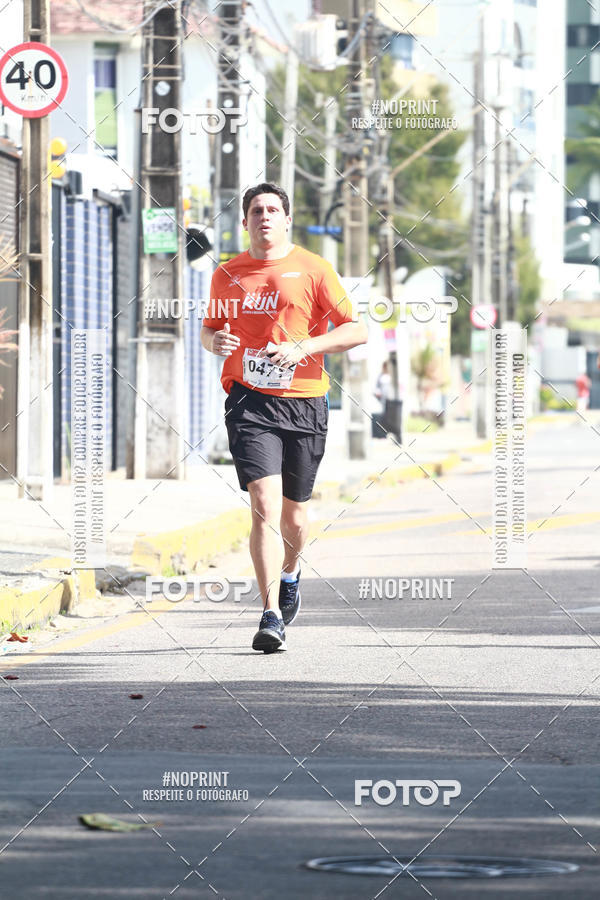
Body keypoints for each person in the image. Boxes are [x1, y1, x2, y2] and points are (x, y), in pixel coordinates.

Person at [201, 183, 368, 653]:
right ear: (245, 222)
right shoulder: (228, 274)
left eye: (274, 209)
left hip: (305, 400)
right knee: (264, 505)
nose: (265, 216)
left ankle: (291, 572)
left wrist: (304, 348)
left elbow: (357, 329)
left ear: (287, 219)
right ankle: (270, 613)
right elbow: (210, 330)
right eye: (257, 210)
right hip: (249, 401)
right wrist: (215, 343)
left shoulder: (313, 269)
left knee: (295, 516)